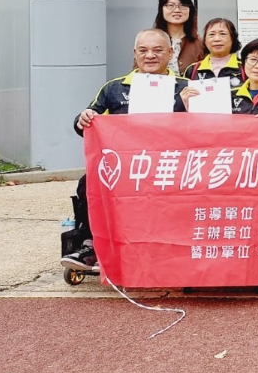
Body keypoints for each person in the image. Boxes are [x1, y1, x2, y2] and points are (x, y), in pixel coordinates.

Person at [61, 29, 188, 271]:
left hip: (173, 167)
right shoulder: (114, 88)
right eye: (143, 50)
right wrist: (83, 118)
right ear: (134, 53)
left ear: (171, 53)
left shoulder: (186, 88)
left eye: (158, 50)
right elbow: (87, 120)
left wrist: (194, 107)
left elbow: (212, 126)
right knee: (88, 182)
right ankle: (91, 245)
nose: (150, 55)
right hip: (126, 166)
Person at [154, 0, 205, 74]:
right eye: (170, 5)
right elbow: (137, 74)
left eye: (183, 5)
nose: (177, 10)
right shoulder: (150, 41)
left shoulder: (201, 44)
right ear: (161, 9)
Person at [183, 17, 243, 86]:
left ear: (233, 38)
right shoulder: (193, 70)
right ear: (205, 40)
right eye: (211, 34)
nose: (217, 39)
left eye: (223, 34)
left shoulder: (244, 67)